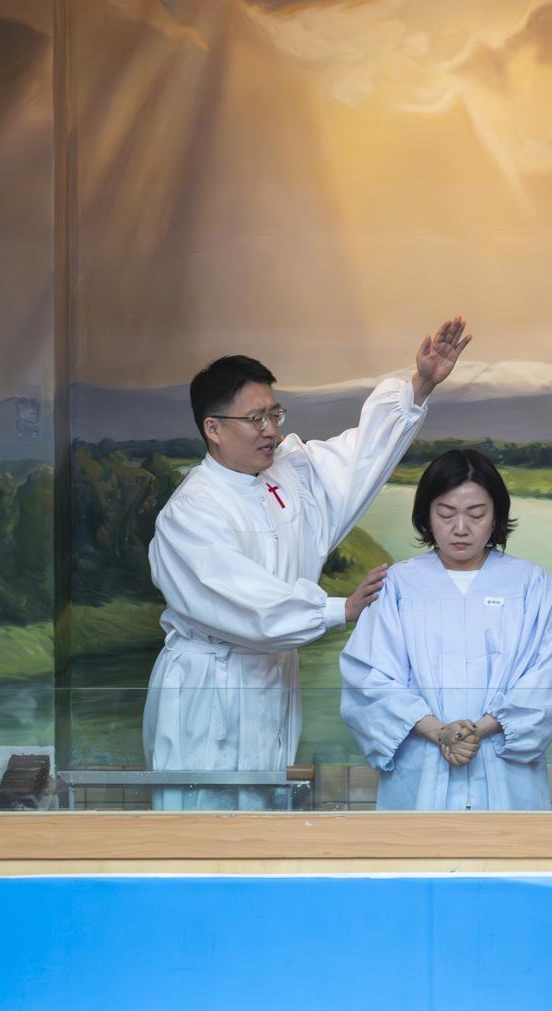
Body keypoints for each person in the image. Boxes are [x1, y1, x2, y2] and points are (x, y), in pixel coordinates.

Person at [142, 319, 473, 810]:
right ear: (213, 428)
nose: (271, 429)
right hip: (209, 685)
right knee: (202, 818)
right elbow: (245, 603)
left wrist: (420, 385)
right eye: (255, 419)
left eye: (274, 414)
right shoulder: (192, 512)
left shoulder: (287, 477)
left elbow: (358, 459)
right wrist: (339, 609)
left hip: (272, 678)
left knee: (264, 815)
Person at [339, 449, 552, 810]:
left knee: (507, 846)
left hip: (503, 766)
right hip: (421, 765)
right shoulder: (398, 585)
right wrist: (440, 732)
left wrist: (477, 731)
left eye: (476, 515)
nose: (460, 528)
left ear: (496, 516)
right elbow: (370, 678)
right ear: (426, 516)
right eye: (445, 514)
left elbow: (546, 678)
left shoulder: (530, 584)